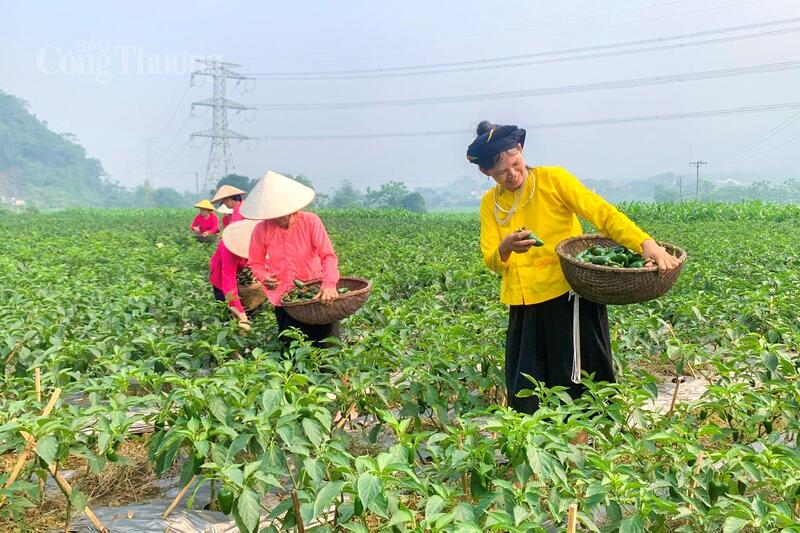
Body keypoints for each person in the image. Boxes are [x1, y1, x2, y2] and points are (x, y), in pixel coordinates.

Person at [468, 121, 680, 414]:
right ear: (486, 172)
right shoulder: (490, 204)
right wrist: (505, 248)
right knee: (527, 389)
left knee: (576, 384)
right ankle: (544, 453)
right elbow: (491, 259)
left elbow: (602, 213)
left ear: (521, 150)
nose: (513, 174)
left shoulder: (553, 180)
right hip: (524, 303)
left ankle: (580, 450)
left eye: (516, 164)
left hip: (567, 295)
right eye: (502, 173)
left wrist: (646, 244)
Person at [242, 171, 341, 347]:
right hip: (284, 300)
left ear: (291, 208)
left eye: (280, 213)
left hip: (315, 296)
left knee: (327, 351)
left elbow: (328, 256)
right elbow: (255, 263)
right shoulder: (261, 229)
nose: (275, 218)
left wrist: (329, 284)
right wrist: (264, 277)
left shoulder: (311, 221)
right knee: (292, 352)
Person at [210, 219, 260, 332]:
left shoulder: (258, 241)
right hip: (221, 278)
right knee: (230, 318)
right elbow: (228, 280)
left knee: (253, 313)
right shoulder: (228, 246)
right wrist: (241, 315)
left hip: (241, 277)